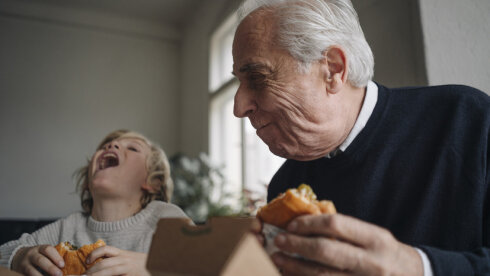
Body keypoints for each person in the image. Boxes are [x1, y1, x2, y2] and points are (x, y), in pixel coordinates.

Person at [232, 0, 489, 275]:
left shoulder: (469, 122)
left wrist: (419, 268)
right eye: (238, 81)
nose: (238, 106)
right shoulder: (285, 185)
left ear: (332, 70)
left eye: (257, 78)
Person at [0, 129, 188, 276]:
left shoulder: (163, 216)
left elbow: (206, 263)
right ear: (87, 185)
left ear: (152, 182)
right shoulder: (67, 228)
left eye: (132, 148)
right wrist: (18, 257)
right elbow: (3, 252)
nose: (112, 145)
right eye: (106, 145)